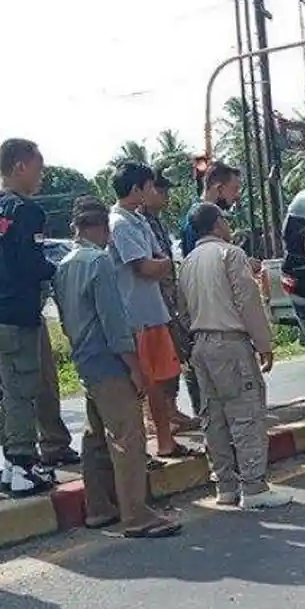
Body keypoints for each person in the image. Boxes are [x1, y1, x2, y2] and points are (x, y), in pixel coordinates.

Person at [53, 197, 181, 537]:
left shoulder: (64, 264)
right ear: (102, 228)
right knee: (128, 438)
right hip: (110, 360)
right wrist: (134, 367)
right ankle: (136, 515)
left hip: (85, 358)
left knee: (96, 439)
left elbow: (67, 320)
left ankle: (99, 508)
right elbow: (113, 321)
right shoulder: (100, 262)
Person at [179, 203, 290, 509]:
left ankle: (225, 486)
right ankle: (254, 487)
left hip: (200, 344)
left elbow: (182, 311)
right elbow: (248, 302)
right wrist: (264, 343)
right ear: (217, 224)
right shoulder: (231, 254)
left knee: (213, 419)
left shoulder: (187, 262)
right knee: (246, 414)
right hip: (230, 342)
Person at [0, 138, 70, 496]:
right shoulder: (26, 211)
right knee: (23, 389)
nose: (40, 179)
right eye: (38, 170)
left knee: (8, 388)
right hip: (17, 311)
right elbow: (32, 264)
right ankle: (23, 465)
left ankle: (10, 464)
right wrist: (55, 270)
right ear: (20, 166)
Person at [108, 163, 196, 461]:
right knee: (142, 384)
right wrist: (162, 265)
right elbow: (146, 266)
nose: (154, 192)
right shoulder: (119, 224)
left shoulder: (139, 221)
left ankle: (166, 441)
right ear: (136, 190)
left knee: (160, 381)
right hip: (136, 317)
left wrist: (161, 264)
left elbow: (158, 258)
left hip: (154, 311)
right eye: (149, 186)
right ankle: (140, 450)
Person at [138, 171, 200, 432]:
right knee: (156, 361)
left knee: (174, 355)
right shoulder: (138, 222)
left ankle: (170, 409)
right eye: (160, 191)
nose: (165, 196)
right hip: (152, 302)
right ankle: (156, 415)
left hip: (169, 299)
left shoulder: (158, 222)